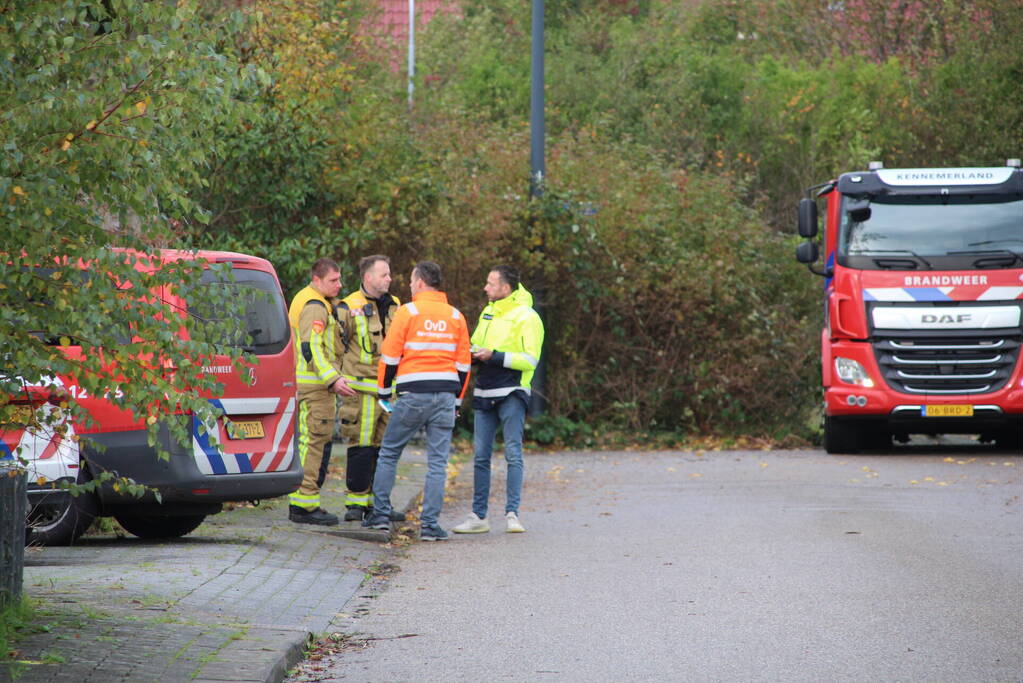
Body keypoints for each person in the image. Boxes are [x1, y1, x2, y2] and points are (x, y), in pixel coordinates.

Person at [362, 261, 471, 541]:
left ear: (421, 282)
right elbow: (463, 366)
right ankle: (430, 526)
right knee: (438, 462)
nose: (409, 286)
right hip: (446, 395)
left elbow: (389, 357)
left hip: (413, 394)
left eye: (411, 281)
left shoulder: (408, 312)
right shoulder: (456, 316)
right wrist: (457, 402)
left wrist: (384, 392)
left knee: (389, 452)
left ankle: (381, 517)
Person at [452, 265, 544, 535]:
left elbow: (530, 359)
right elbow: (475, 343)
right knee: (481, 456)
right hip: (484, 390)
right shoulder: (488, 311)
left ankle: (512, 514)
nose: (485, 288)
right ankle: (479, 517)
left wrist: (494, 355)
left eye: (490, 284)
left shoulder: (528, 317)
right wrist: (470, 353)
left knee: (513, 453)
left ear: (505, 288)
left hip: (512, 392)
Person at [287, 258, 356, 525]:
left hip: (313, 384)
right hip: (315, 386)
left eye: (339, 279)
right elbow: (311, 348)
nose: (339, 285)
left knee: (313, 441)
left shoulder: (311, 299)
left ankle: (305, 502)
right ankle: (304, 505)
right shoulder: (315, 306)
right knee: (314, 442)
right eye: (333, 280)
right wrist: (332, 380)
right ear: (317, 280)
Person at [335, 255, 403, 522]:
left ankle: (379, 504)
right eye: (384, 274)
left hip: (389, 390)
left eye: (389, 274)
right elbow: (337, 345)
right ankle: (355, 503)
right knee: (361, 444)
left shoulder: (395, 305)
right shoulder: (348, 306)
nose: (389, 279)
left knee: (385, 447)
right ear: (368, 277)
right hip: (360, 389)